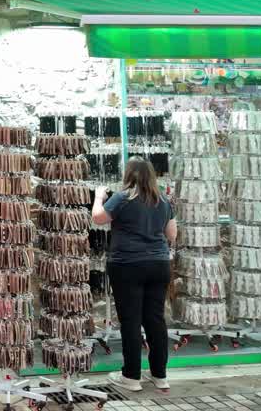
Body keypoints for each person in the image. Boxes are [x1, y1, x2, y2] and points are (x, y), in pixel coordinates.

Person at [91, 156, 177, 393]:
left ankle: (131, 376)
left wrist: (99, 197)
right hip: (159, 265)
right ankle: (160, 375)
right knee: (155, 320)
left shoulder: (122, 198)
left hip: (127, 265)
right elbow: (172, 234)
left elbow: (98, 218)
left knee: (131, 321)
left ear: (128, 174)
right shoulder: (163, 201)